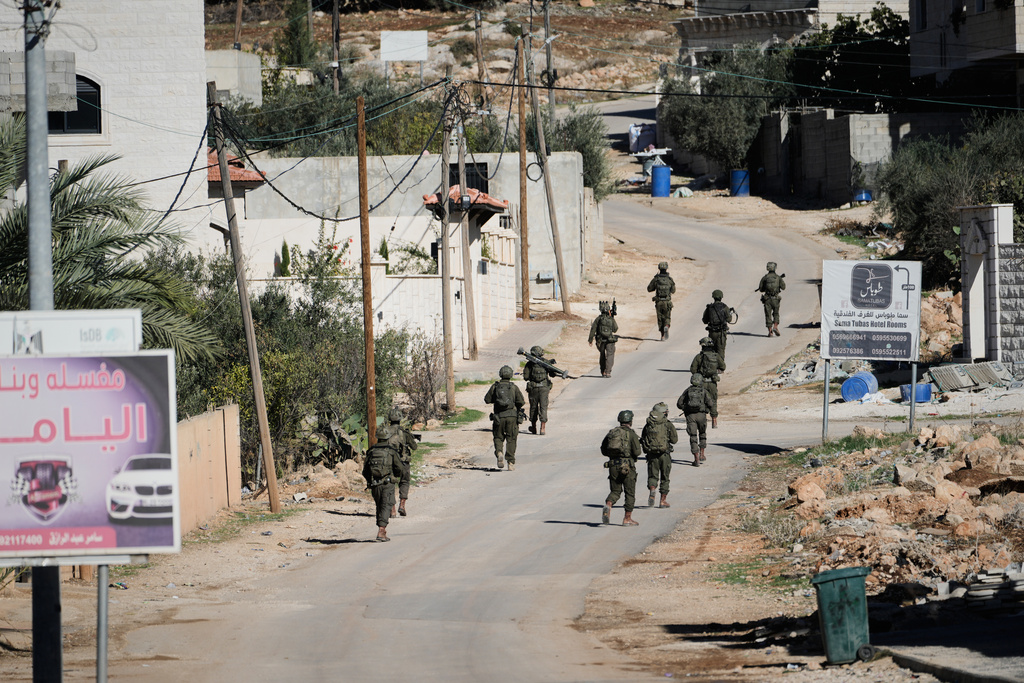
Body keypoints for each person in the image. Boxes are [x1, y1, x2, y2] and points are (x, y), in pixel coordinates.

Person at [362, 426, 405, 542]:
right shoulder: (391, 451)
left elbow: (365, 470)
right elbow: (400, 468)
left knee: (379, 505)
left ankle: (381, 526)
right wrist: (395, 477)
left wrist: (369, 481)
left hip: (374, 484)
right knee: (386, 505)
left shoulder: (371, 451)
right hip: (387, 483)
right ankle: (382, 530)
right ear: (388, 437)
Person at [600, 409, 643, 526]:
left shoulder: (612, 433)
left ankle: (608, 505)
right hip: (627, 467)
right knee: (629, 493)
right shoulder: (632, 434)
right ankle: (627, 519)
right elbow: (637, 452)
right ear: (631, 421)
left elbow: (603, 450)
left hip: (613, 466)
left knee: (615, 491)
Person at [377, 407, 419, 517]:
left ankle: (393, 510)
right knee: (404, 481)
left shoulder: (384, 432)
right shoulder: (404, 433)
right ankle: (402, 505)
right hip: (403, 462)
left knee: (390, 485)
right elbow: (414, 447)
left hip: (389, 462)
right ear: (400, 419)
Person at [483, 365, 525, 470]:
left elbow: (487, 400)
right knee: (511, 439)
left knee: (498, 437)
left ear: (500, 374)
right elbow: (521, 401)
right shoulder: (514, 387)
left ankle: (499, 452)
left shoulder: (495, 387)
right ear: (511, 375)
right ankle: (510, 463)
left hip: (498, 417)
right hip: (512, 417)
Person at [640, 402, 678, 508]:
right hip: (664, 455)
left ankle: (652, 490)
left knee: (653, 476)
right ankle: (662, 501)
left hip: (652, 455)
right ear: (665, 413)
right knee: (665, 478)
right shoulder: (668, 424)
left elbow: (643, 438)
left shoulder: (648, 424)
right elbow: (674, 440)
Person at [689, 337, 725, 429]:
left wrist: (699, 373)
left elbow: (692, 369)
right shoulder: (716, 356)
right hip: (712, 383)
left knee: (702, 401)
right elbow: (723, 366)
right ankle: (714, 421)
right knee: (713, 400)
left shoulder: (699, 357)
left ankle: (702, 420)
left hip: (702, 383)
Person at [677, 373, 709, 466]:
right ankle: (702, 454)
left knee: (693, 436)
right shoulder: (704, 391)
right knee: (702, 434)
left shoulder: (687, 391)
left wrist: (686, 408)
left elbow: (679, 404)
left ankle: (696, 459)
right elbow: (710, 403)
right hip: (701, 415)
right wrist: (706, 409)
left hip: (690, 416)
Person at [524, 345, 557, 435]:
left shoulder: (529, 364)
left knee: (533, 407)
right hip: (544, 388)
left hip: (533, 388)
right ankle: (542, 428)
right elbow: (553, 374)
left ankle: (533, 427)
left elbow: (526, 377)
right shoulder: (545, 362)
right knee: (543, 407)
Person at [702, 289, 736, 361]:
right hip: (721, 333)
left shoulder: (709, 308)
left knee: (712, 349)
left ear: (713, 297)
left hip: (712, 333)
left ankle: (712, 365)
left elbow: (704, 320)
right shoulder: (725, 307)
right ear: (721, 297)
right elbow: (729, 320)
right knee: (721, 349)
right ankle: (720, 368)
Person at [647, 262, 676, 341]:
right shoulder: (670, 279)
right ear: (666, 268)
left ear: (659, 269)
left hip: (659, 301)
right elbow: (673, 290)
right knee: (667, 317)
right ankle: (667, 326)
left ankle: (662, 335)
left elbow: (649, 289)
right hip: (667, 301)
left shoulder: (656, 279)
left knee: (660, 319)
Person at [588, 301, 619, 377]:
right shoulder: (611, 319)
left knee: (602, 355)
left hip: (600, 341)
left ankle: (603, 371)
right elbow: (615, 329)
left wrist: (590, 340)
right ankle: (608, 372)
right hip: (609, 340)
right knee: (610, 355)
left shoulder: (598, 319)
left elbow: (593, 329)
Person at [757, 261, 786, 337]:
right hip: (776, 299)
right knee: (776, 313)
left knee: (768, 315)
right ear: (775, 268)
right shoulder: (778, 277)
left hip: (767, 299)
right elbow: (784, 287)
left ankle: (770, 332)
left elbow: (761, 289)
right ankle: (775, 327)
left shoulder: (765, 278)